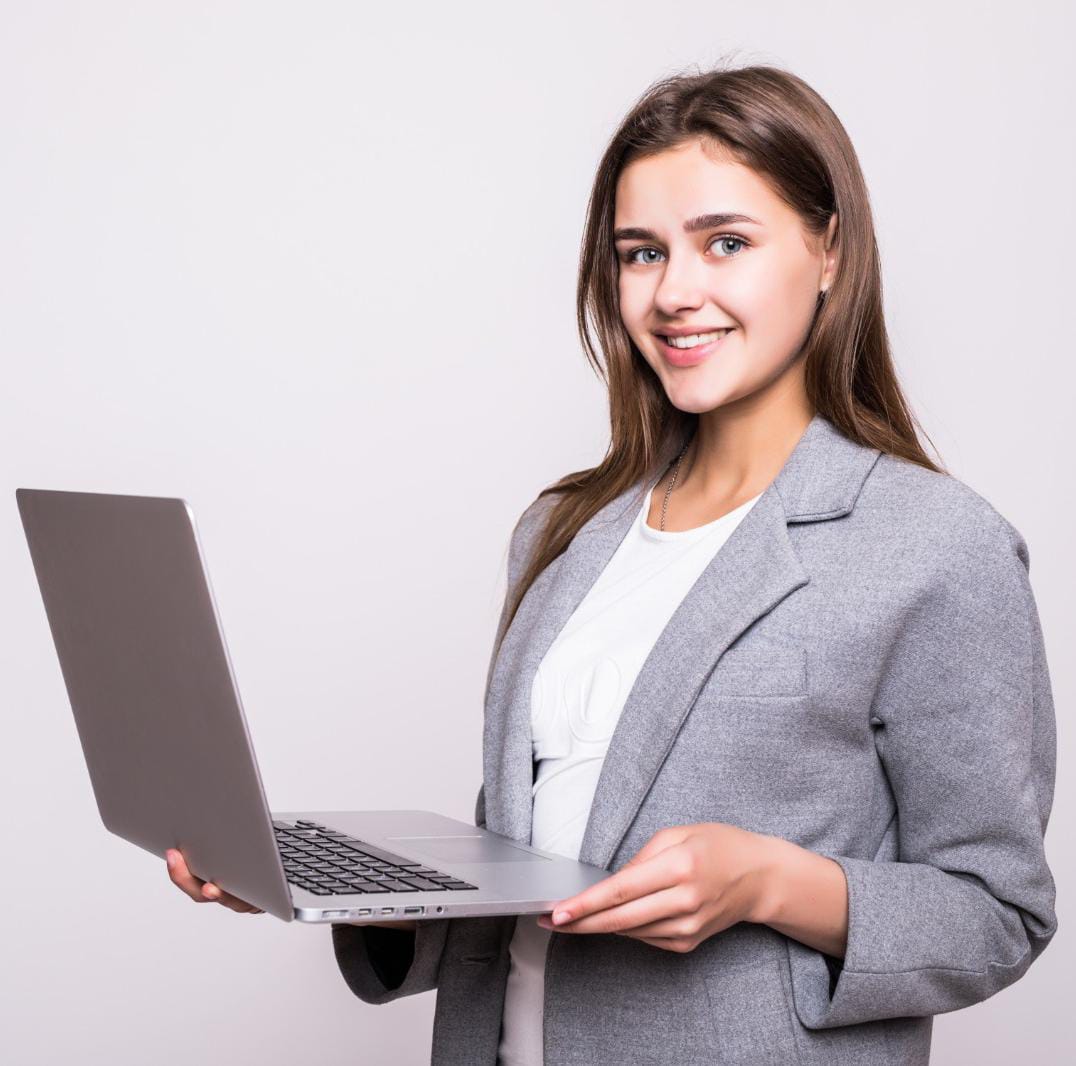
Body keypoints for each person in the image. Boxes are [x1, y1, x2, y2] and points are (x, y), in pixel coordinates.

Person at [166, 62, 1058, 1065]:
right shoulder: (564, 529)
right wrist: (342, 890)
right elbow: (534, 860)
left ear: (828, 252)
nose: (674, 293)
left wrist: (768, 881)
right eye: (640, 254)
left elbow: (995, 911)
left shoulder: (932, 545)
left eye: (724, 242)